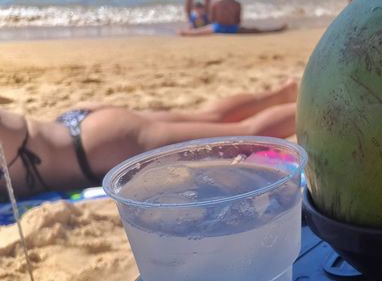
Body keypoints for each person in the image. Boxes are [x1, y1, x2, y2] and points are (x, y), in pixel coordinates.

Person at [0, 81, 298, 200]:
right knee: (208, 118)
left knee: (241, 137)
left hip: (97, 148)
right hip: (78, 127)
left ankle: (312, 107)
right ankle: (285, 93)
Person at [179, 0, 286, 36]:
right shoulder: (237, 4)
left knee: (197, 32)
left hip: (218, 28)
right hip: (233, 29)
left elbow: (212, 19)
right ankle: (276, 29)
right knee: (256, 30)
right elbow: (238, 21)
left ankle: (183, 32)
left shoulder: (215, 2)